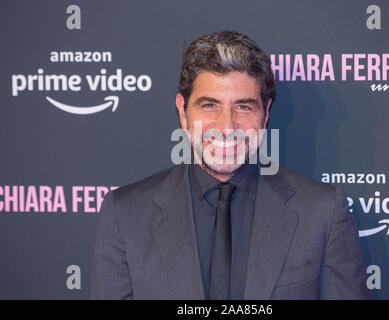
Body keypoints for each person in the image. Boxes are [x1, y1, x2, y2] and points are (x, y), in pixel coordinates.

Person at [90, 30, 370, 300]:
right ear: (182, 112)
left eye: (243, 107)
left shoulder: (323, 212)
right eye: (209, 105)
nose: (227, 127)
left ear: (266, 113)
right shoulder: (124, 216)